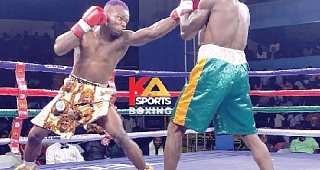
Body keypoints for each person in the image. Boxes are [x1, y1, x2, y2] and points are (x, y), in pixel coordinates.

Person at [15, 0, 180, 170]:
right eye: (119, 18)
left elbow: (152, 32)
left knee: (120, 135)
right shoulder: (85, 33)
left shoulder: (124, 39)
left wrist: (177, 15)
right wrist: (83, 24)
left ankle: (145, 168)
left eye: (126, 21)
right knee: (36, 135)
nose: (124, 24)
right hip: (73, 90)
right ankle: (27, 166)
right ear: (105, 16)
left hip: (98, 94)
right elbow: (59, 48)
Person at [164, 0, 274, 170]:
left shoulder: (212, 0)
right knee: (249, 134)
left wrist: (184, 9)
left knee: (175, 127)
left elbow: (186, 32)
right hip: (239, 68)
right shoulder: (243, 8)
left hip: (213, 66)